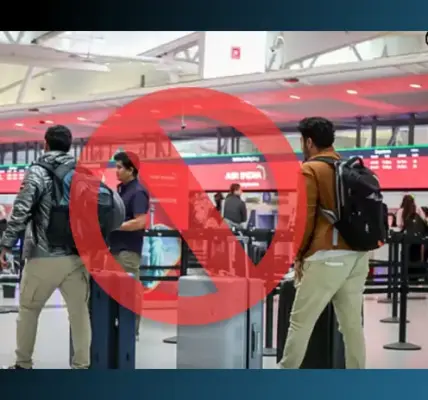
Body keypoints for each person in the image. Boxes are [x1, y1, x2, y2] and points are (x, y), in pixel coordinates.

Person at [278, 117, 369, 369]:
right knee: (351, 325)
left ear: (308, 142)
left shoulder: (310, 170)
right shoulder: (349, 167)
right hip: (359, 255)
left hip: (327, 256)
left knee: (300, 322)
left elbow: (305, 218)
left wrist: (298, 255)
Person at [0, 125, 91, 370]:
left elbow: (21, 210)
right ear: (69, 146)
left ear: (45, 144)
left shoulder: (37, 171)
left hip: (42, 254)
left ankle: (23, 364)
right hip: (76, 256)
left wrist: (6, 245)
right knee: (79, 313)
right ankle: (82, 367)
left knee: (29, 309)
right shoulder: (83, 174)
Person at [108, 151, 149, 339]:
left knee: (129, 293)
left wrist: (115, 225)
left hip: (128, 251)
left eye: (119, 167)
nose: (116, 171)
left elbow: (140, 222)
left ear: (131, 170)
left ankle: (131, 331)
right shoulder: (120, 191)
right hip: (115, 248)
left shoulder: (138, 192)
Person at [396, 194, 427, 283]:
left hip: (406, 239)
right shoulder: (418, 209)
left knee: (406, 257)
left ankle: (406, 277)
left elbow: (399, 224)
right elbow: (424, 221)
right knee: (416, 257)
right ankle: (415, 277)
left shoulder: (400, 211)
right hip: (417, 239)